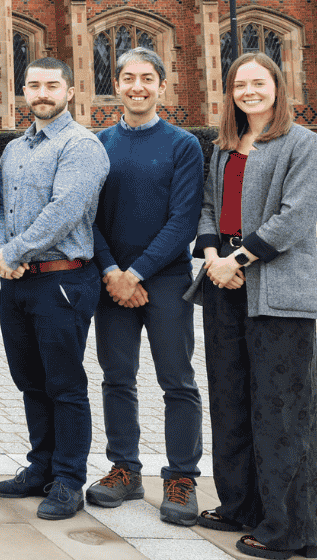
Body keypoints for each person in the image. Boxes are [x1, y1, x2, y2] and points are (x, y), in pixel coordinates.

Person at [187, 53, 317, 560]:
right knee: (230, 402)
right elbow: (207, 205)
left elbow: (294, 217)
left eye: (258, 82)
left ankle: (289, 530)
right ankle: (241, 504)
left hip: (277, 292)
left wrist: (237, 257)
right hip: (223, 285)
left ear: (277, 86)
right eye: (239, 84)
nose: (249, 91)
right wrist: (211, 257)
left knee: (280, 411)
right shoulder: (225, 148)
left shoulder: (302, 143)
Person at [85, 47, 205, 525]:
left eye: (147, 78)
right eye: (128, 78)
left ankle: (181, 477)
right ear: (116, 85)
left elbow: (183, 221)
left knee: (176, 380)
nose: (137, 86)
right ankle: (124, 469)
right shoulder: (97, 144)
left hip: (167, 281)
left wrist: (135, 274)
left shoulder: (183, 145)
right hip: (111, 283)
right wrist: (112, 271)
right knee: (117, 378)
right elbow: (86, 216)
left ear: (161, 85)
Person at [0, 57, 109, 521]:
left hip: (63, 279)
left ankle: (68, 480)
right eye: (33, 85)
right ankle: (39, 468)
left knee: (64, 384)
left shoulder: (82, 145)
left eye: (51, 85)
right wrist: (4, 251)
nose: (41, 93)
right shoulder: (16, 148)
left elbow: (66, 210)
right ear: (23, 91)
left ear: (69, 92)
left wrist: (15, 251)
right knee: (30, 381)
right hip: (18, 283)